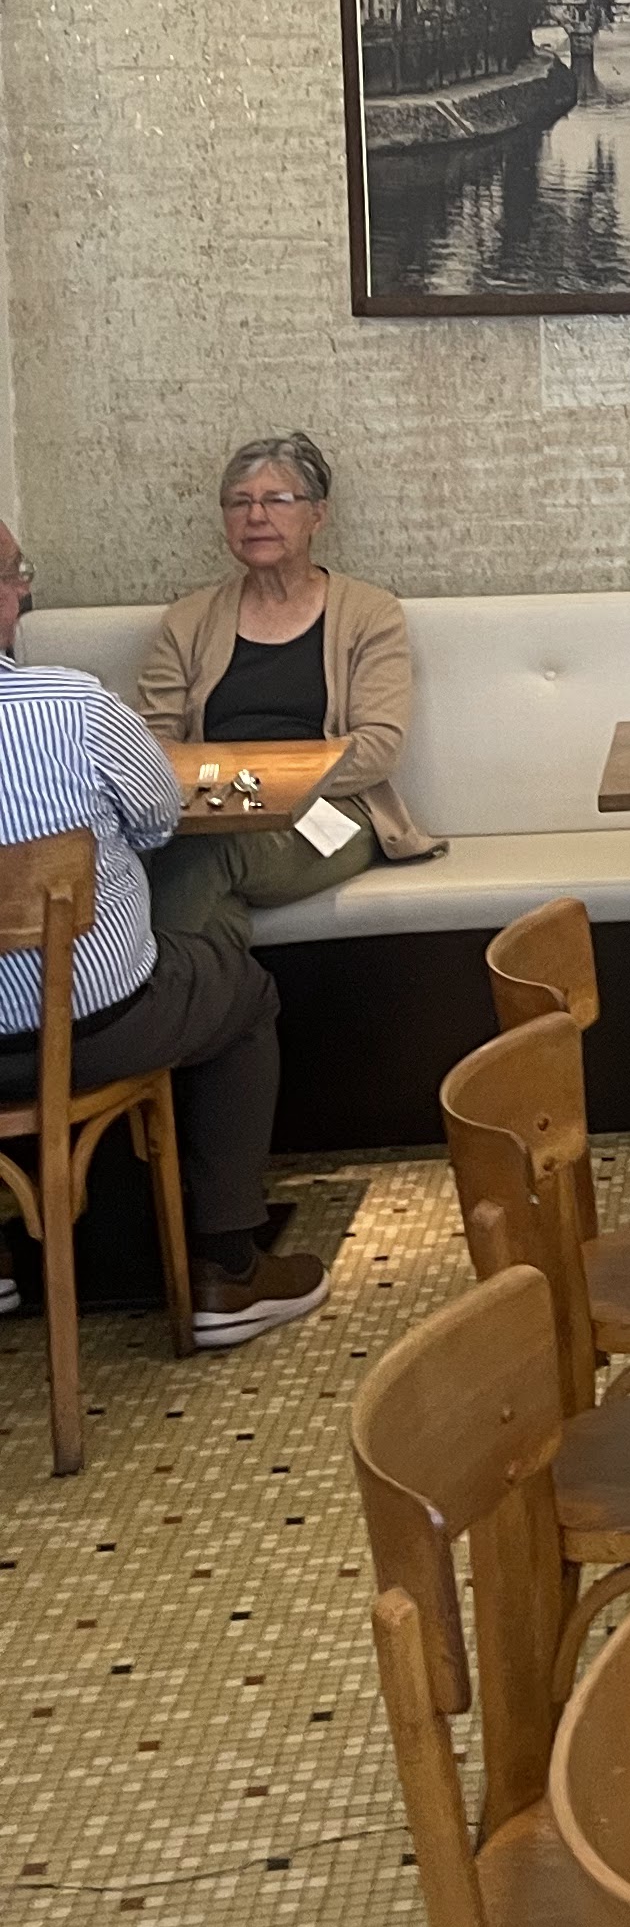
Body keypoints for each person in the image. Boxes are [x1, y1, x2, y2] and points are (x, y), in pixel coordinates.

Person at [0, 510, 326, 1343]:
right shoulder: (72, 705)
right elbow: (154, 818)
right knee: (243, 992)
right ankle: (227, 1265)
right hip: (99, 1028)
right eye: (18, 575)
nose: (26, 591)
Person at [138, 435, 437, 944]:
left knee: (203, 853)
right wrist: (224, 799)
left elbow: (378, 746)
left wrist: (258, 788)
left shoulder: (370, 613)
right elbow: (150, 742)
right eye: (239, 502)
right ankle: (235, 996)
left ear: (317, 515)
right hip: (212, 815)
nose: (255, 516)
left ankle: (134, 993)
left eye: (276, 500)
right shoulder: (187, 620)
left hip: (331, 814)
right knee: (209, 903)